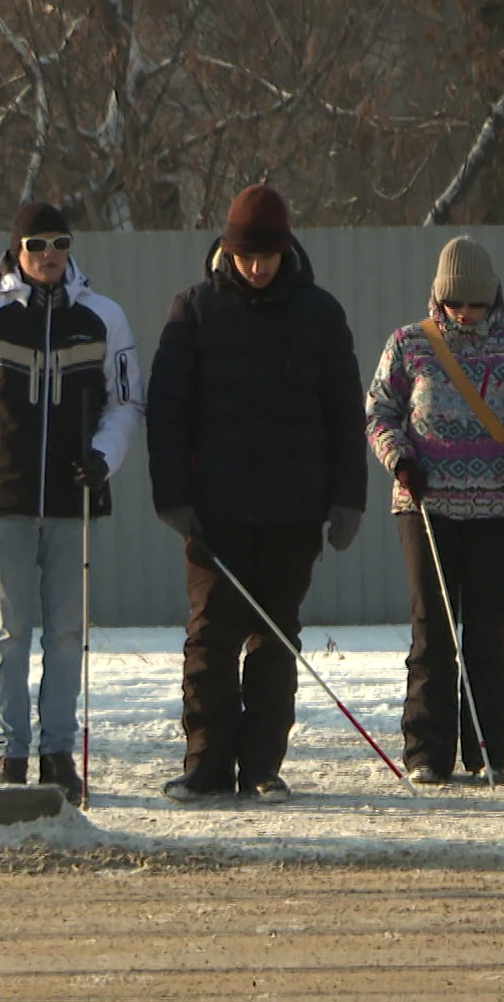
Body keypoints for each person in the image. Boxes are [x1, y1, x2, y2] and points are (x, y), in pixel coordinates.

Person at [145, 185, 366, 804]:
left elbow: (345, 415)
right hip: (213, 512)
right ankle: (207, 764)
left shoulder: (320, 314)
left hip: (294, 511)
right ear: (227, 249)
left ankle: (263, 765)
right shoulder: (192, 311)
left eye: (268, 255)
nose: (257, 266)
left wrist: (348, 498)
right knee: (211, 636)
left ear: (286, 250)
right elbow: (167, 414)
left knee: (275, 636)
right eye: (247, 255)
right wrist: (173, 497)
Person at [0, 202, 144, 804]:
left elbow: (126, 403)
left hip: (72, 498)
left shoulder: (104, 317)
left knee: (66, 633)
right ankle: (10, 753)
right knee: (10, 633)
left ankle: (57, 752)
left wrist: (104, 456)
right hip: (3, 495)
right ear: (16, 251)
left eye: (59, 242)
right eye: (36, 244)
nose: (48, 254)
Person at [366, 235, 504, 785]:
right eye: (455, 302)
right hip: (424, 505)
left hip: (495, 506)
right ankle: (426, 751)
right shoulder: (409, 344)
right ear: (438, 297)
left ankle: (489, 745)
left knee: (485, 628)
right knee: (432, 628)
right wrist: (400, 459)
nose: (465, 313)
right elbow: (379, 412)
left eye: (476, 303)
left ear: (493, 299)